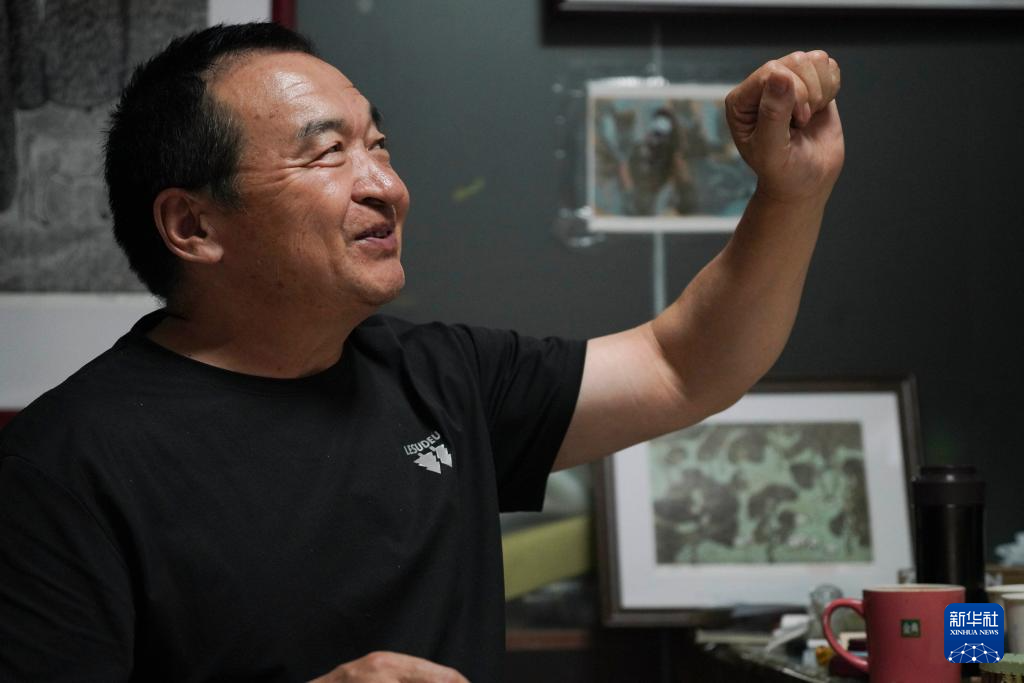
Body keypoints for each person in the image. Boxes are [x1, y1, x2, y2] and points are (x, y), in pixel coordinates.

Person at [0, 22, 843, 683]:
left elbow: (684, 365)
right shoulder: (65, 464)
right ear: (193, 224)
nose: (387, 186)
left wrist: (791, 193)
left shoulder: (441, 377)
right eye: (328, 152)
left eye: (379, 145)